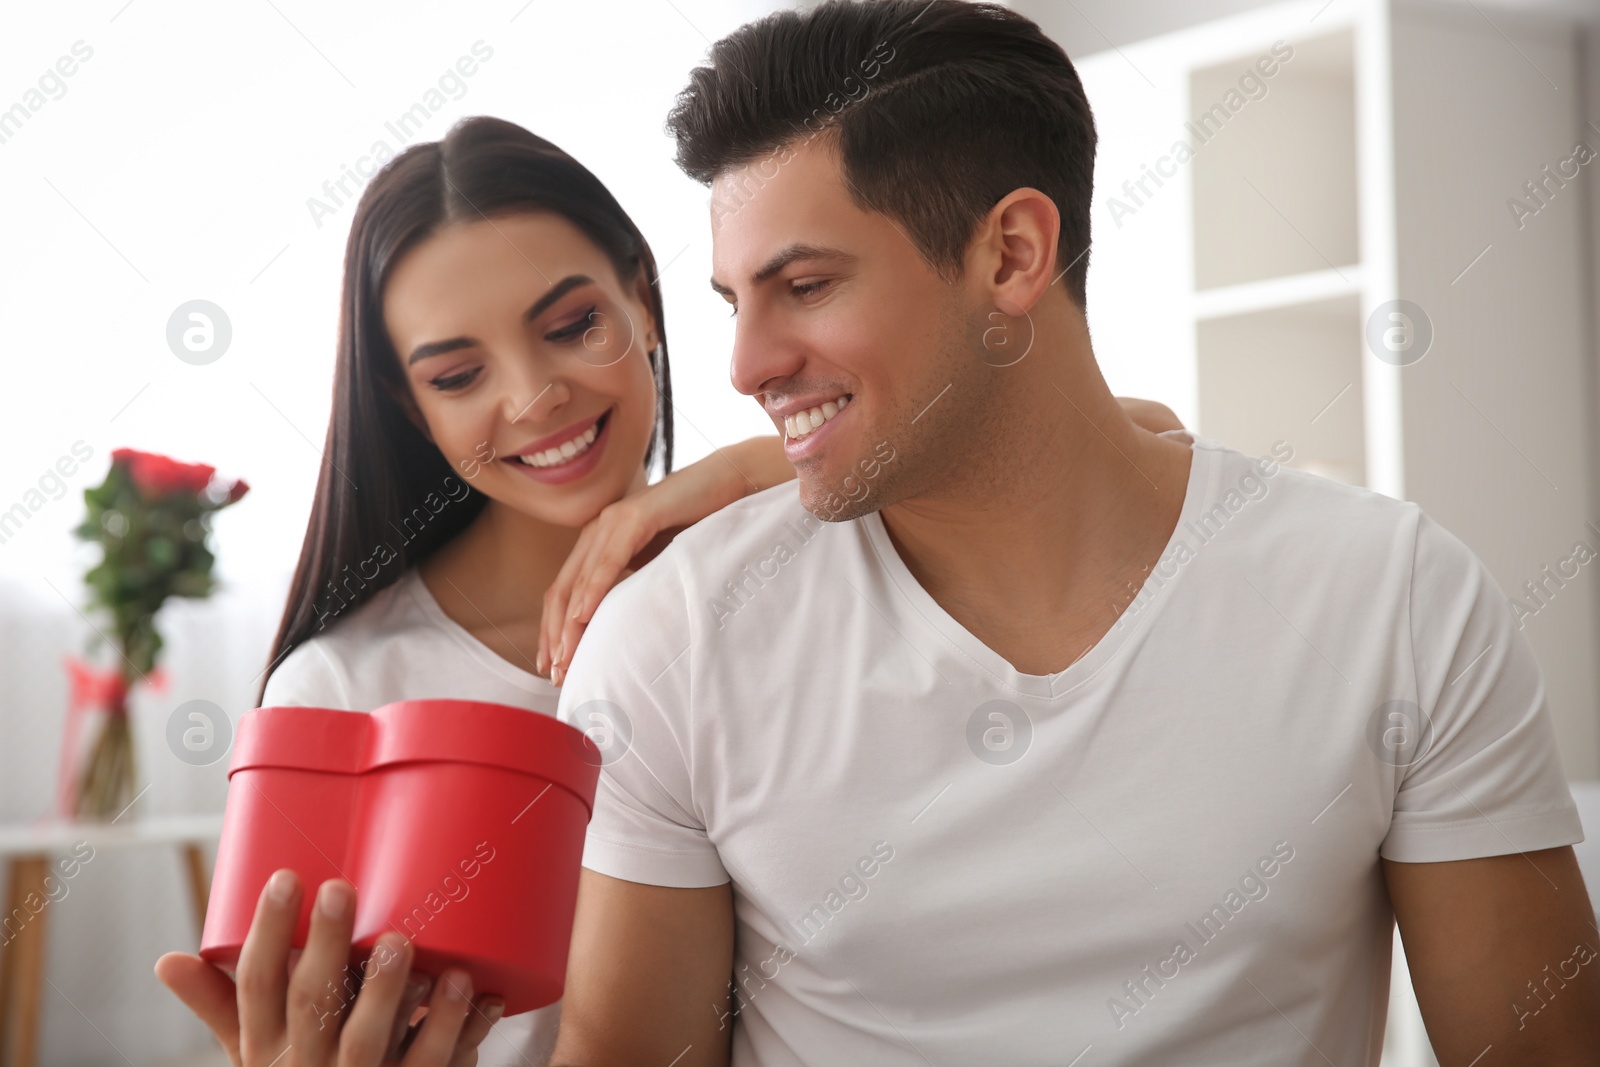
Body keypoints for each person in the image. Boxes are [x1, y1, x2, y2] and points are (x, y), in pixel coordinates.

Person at [545, 2, 1600, 1065]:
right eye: (734, 300)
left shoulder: (1395, 596)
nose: (744, 363)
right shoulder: (673, 644)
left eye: (805, 286)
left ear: (1010, 253)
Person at [152, 115, 1181, 1067]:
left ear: (644, 297)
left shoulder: (792, 564)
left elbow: (1133, 430)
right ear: (406, 405)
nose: (535, 394)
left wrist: (742, 470)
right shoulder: (343, 690)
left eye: (569, 323)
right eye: (458, 376)